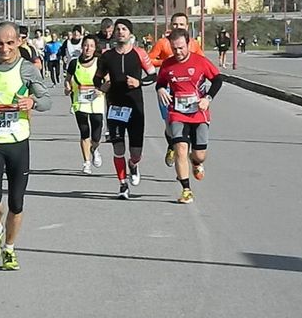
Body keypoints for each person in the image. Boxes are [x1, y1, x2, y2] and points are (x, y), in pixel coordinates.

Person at [0, 21, 51, 271]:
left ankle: (10, 249)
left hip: (18, 142)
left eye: (10, 43)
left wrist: (32, 102)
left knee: (17, 202)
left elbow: (46, 100)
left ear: (19, 42)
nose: (4, 48)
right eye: (0, 43)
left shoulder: (27, 69)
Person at [156, 28, 223, 204]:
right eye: (174, 48)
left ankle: (196, 163)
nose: (177, 52)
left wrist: (208, 98)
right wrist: (161, 89)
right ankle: (186, 190)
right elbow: (160, 82)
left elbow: (217, 79)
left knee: (199, 154)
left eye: (181, 48)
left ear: (188, 44)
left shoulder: (200, 62)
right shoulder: (167, 64)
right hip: (177, 112)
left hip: (198, 113)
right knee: (181, 150)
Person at [93, 19, 156, 199]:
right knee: (118, 148)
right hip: (115, 107)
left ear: (130, 34)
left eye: (124, 29)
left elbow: (153, 75)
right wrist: (101, 86)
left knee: (135, 152)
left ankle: (133, 165)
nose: (120, 32)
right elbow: (97, 79)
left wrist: (139, 82)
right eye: (118, 29)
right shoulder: (107, 56)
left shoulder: (139, 53)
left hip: (135, 107)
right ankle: (122, 184)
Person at [148, 12, 205, 168]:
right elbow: (150, 59)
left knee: (193, 123)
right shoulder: (162, 43)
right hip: (167, 88)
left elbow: (202, 61)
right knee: (170, 123)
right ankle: (173, 145)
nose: (178, 27)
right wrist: (166, 62)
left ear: (187, 26)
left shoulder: (193, 43)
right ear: (170, 26)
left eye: (181, 24)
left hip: (189, 89)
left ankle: (194, 156)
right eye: (175, 24)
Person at [64, 34, 105, 174]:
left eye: (91, 46)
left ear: (95, 48)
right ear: (82, 47)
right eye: (86, 45)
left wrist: (102, 89)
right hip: (80, 101)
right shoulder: (74, 63)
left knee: (97, 134)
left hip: (96, 101)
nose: (88, 48)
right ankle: (86, 162)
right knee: (84, 132)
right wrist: (67, 87)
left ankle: (95, 148)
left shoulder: (100, 62)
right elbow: (67, 79)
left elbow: (108, 80)